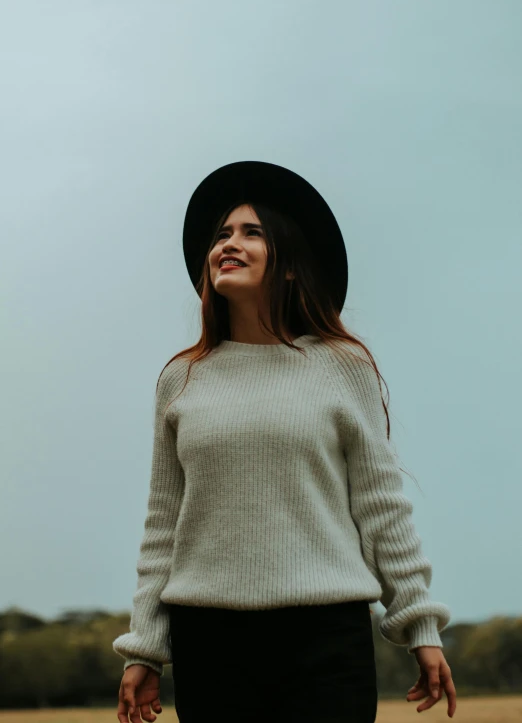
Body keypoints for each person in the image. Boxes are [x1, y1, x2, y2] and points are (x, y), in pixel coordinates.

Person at [114, 161, 457, 722]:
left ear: (292, 266)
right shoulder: (181, 378)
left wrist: (418, 621)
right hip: (210, 642)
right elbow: (163, 525)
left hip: (325, 638)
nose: (229, 243)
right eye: (222, 234)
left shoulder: (343, 367)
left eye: (251, 233)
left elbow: (380, 506)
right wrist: (145, 647)